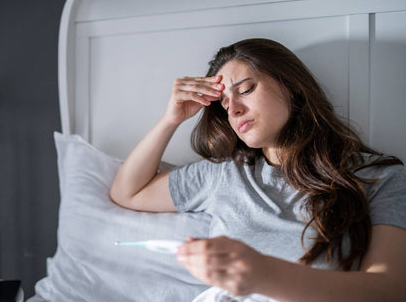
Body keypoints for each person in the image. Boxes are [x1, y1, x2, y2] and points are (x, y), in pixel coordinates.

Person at [110, 38, 406, 301]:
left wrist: (264, 275)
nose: (234, 109)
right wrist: (170, 119)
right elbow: (128, 192)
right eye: (225, 104)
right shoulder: (223, 176)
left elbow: (390, 290)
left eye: (247, 89)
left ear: (291, 87)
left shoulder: (377, 177)